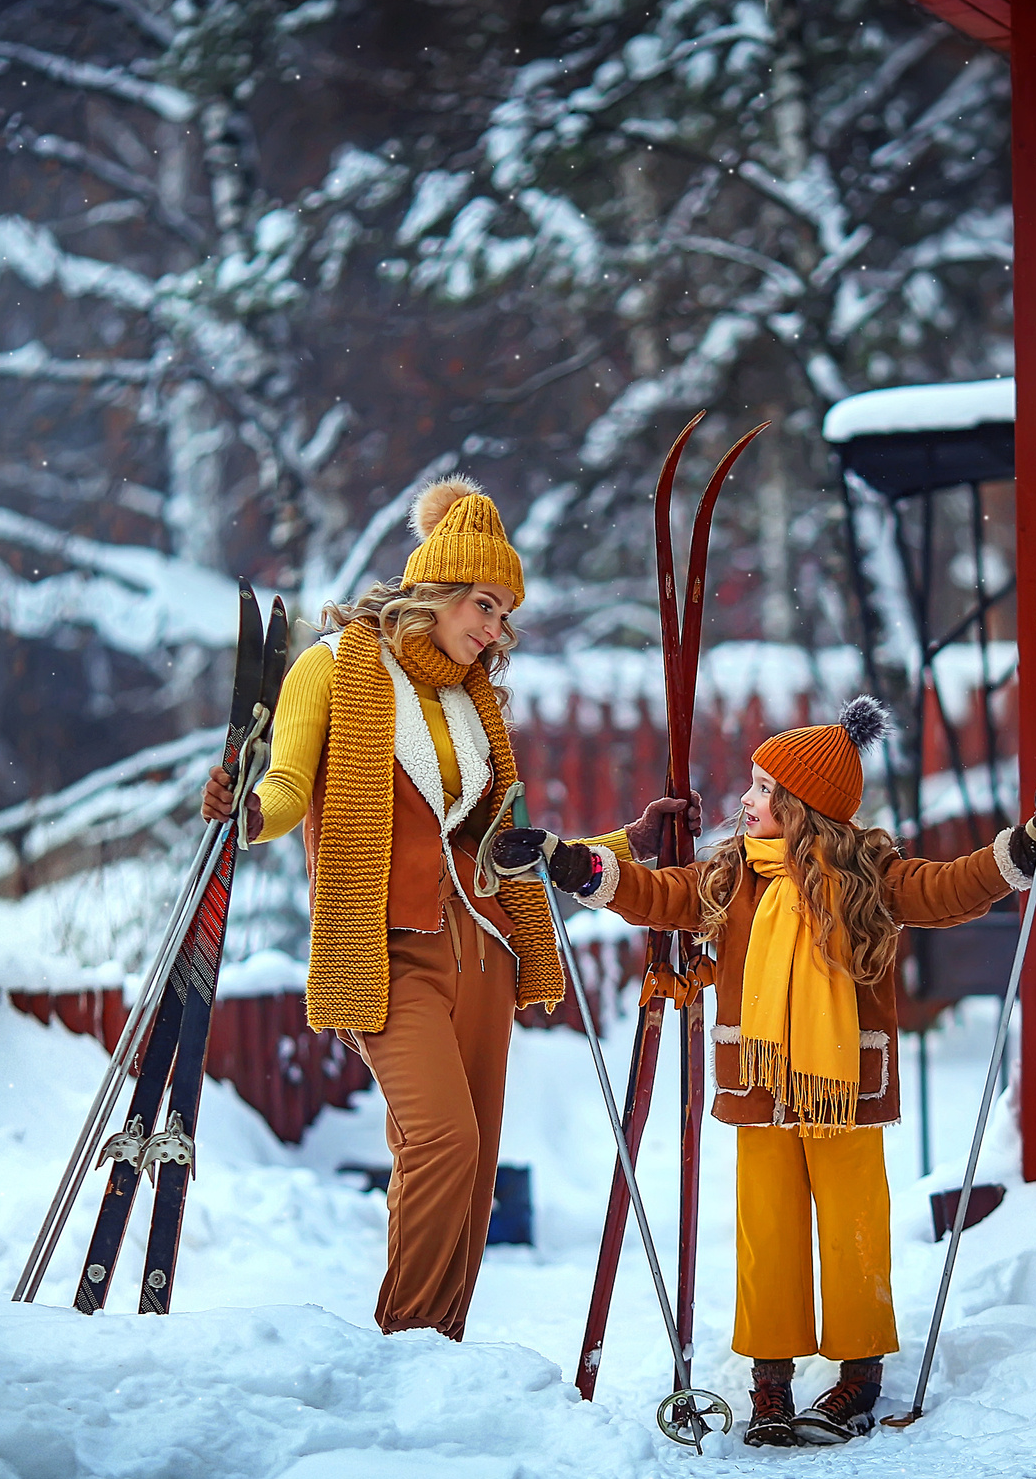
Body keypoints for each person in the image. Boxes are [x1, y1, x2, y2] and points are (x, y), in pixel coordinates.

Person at [494, 698, 1036, 1444]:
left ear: (802, 806)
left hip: (844, 1089)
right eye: (755, 783)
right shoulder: (734, 873)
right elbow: (657, 895)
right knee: (767, 1232)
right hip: (759, 1082)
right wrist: (570, 860)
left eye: (766, 788)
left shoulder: (868, 871)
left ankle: (858, 1376)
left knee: (851, 1228)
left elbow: (945, 888)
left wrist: (1019, 852)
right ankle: (771, 1380)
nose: (747, 798)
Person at [198, 476, 680, 1340]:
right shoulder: (337, 665)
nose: (494, 630)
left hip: (485, 949)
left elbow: (508, 849)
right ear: (439, 590)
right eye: (484, 606)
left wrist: (626, 842)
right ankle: (406, 1343)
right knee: (441, 1141)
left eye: (503, 615)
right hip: (388, 951)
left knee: (475, 1165)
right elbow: (286, 786)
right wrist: (244, 812)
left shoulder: (476, 703)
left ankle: (443, 1356)